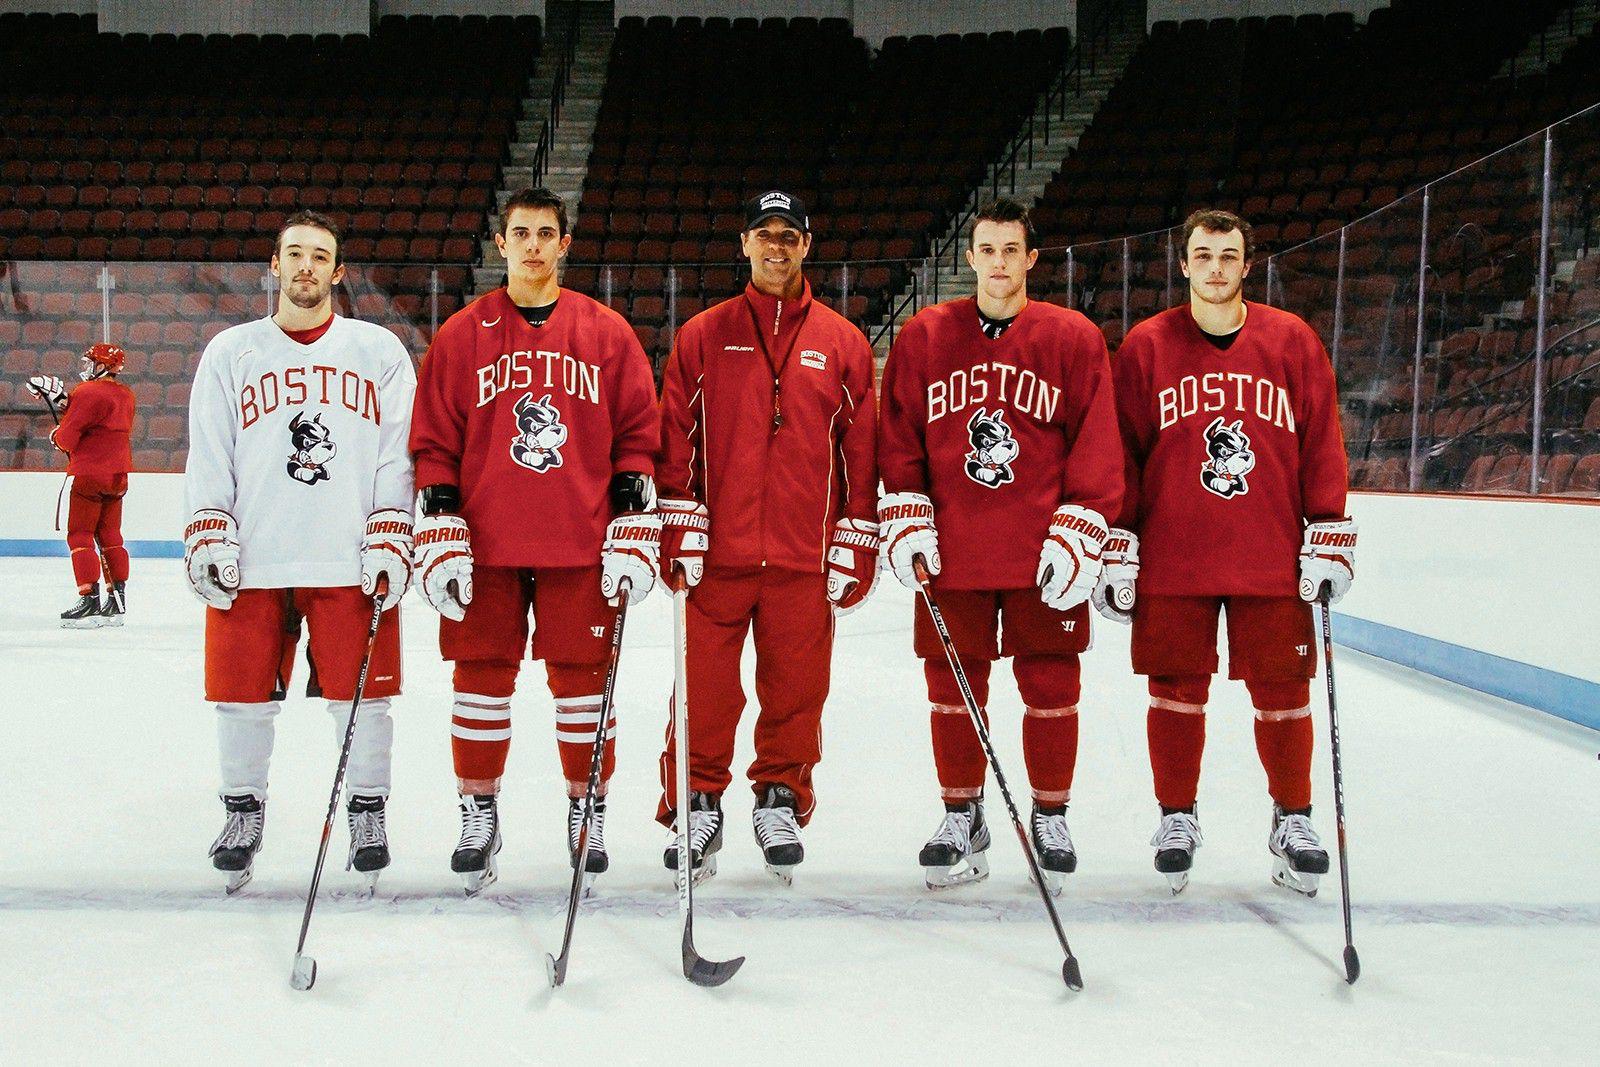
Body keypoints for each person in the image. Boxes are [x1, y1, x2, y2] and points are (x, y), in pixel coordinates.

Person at [408, 187, 660, 895]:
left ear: (564, 243)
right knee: (481, 678)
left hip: (578, 538)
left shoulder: (606, 332)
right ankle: (478, 810)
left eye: (546, 233)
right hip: (485, 542)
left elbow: (640, 427)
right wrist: (441, 505)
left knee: (581, 684)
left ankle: (588, 808)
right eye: (521, 233)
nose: (533, 246)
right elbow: (434, 435)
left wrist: (633, 491)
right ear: (501, 242)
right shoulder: (462, 333)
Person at [1100, 208, 1356, 896]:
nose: (1215, 267)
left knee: (1282, 687)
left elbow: (1321, 440)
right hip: (1173, 553)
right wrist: (1118, 537)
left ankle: (1292, 817)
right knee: (1176, 690)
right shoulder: (1149, 347)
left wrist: (1327, 528)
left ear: (1249, 264)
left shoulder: (1292, 341)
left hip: (1267, 549)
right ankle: (1176, 815)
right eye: (1203, 254)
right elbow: (1121, 449)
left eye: (1228, 254)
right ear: (1183, 264)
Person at [878, 198, 1122, 893]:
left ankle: (1050, 812)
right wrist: (906, 508)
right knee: (955, 686)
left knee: (1051, 682)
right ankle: (963, 812)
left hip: (1043, 552)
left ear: (1031, 258)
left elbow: (1098, 441)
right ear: (971, 257)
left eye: (1012, 250)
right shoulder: (925, 336)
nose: (999, 262)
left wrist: (1083, 523)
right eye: (988, 249)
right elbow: (899, 433)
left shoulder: (1072, 338)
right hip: (953, 551)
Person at [184, 210, 416, 894]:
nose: (308, 266)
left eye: (321, 256)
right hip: (254, 555)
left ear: (339, 272)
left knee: (365, 701)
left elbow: (397, 451)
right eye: (296, 254)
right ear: (275, 266)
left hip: (350, 556)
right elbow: (210, 449)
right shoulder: (232, 352)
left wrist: (389, 529)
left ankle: (368, 811)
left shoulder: (378, 352)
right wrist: (208, 526)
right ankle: (241, 811)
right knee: (240, 697)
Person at [654, 189, 879, 886]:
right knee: (704, 690)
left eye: (789, 235)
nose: (776, 246)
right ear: (744, 245)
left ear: (806, 245)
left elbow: (862, 454)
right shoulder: (702, 334)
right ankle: (695, 800)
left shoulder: (843, 343)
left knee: (796, 690)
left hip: (801, 558)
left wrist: (856, 538)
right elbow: (675, 441)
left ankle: (780, 796)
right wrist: (678, 523)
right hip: (715, 558)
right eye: (764, 234)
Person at [27, 342, 135, 627]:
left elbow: (68, 436)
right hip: (118, 474)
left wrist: (55, 436)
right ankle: (117, 601)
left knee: (80, 535)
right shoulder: (126, 394)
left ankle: (89, 598)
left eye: (92, 363)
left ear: (104, 366)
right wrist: (63, 399)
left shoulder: (87, 392)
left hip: (88, 473)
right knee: (111, 535)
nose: (88, 368)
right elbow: (95, 414)